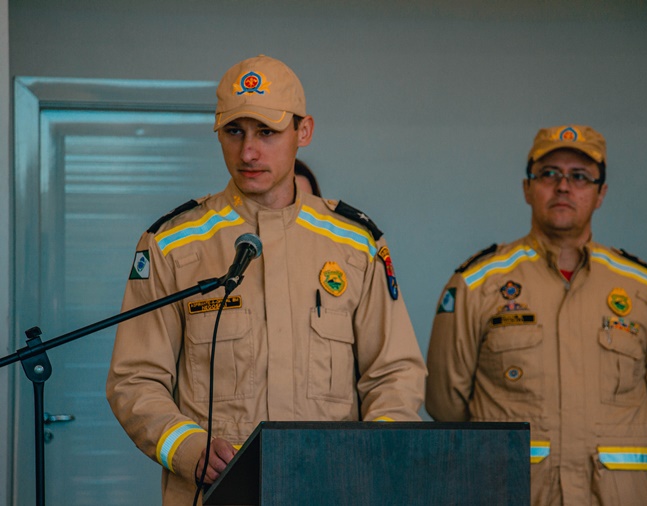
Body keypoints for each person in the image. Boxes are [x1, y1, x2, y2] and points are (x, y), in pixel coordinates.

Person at [106, 54, 426, 506]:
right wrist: (188, 448)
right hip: (214, 494)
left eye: (267, 132)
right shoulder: (171, 244)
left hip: (332, 492)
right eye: (234, 131)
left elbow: (395, 375)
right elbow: (134, 379)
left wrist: (368, 458)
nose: (248, 152)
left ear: (304, 131)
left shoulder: (356, 243)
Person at [425, 125, 647, 505]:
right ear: (527, 188)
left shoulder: (645, 289)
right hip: (512, 493)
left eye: (580, 176)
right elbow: (445, 403)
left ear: (601, 193)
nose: (563, 187)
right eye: (549, 174)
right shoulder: (477, 283)